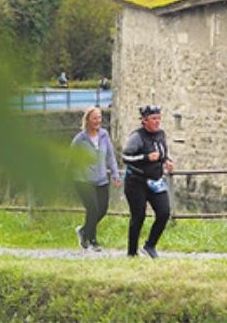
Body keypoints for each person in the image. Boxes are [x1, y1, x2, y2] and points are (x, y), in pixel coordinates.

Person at [122, 105, 173, 259]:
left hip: (155, 181)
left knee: (164, 212)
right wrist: (145, 158)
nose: (157, 122)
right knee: (138, 216)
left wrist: (168, 161)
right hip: (136, 182)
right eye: (153, 119)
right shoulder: (137, 137)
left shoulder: (161, 134)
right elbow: (125, 158)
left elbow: (163, 154)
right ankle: (132, 253)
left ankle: (150, 245)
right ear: (144, 121)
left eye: (159, 118)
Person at [70, 106, 121, 251]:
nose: (98, 121)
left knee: (102, 210)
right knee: (92, 209)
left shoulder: (104, 135)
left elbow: (110, 157)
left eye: (99, 117)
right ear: (87, 120)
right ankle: (92, 241)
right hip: (83, 180)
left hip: (101, 179)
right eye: (95, 118)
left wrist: (115, 174)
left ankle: (84, 231)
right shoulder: (80, 139)